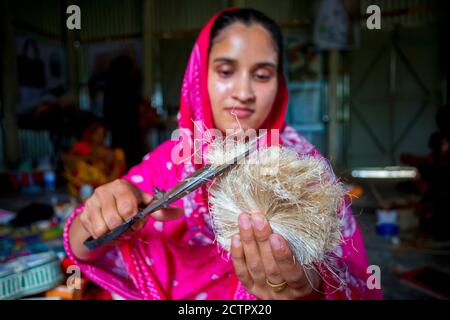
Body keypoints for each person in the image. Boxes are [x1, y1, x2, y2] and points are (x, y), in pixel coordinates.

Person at [65, 8, 382, 300]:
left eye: (261, 75)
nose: (243, 93)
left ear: (279, 83)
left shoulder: (304, 172)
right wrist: (95, 217)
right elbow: (82, 250)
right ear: (199, 75)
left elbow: (356, 281)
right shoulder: (166, 164)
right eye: (226, 71)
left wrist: (309, 292)